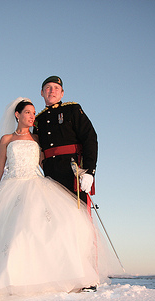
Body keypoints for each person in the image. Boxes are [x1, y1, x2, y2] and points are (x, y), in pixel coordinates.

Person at [0, 98, 121, 301]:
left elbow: (46, 163)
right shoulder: (6, 139)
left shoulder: (38, 139)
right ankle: (6, 279)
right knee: (11, 234)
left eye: (34, 113)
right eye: (28, 112)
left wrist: (75, 172)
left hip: (35, 185)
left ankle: (55, 276)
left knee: (49, 227)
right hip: (10, 187)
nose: (32, 116)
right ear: (17, 115)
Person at [33, 76, 97, 206]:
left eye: (56, 88)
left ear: (62, 93)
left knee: (77, 217)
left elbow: (89, 138)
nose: (52, 91)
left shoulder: (72, 110)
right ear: (42, 92)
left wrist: (89, 171)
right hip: (50, 175)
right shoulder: (38, 120)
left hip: (73, 172)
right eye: (48, 88)